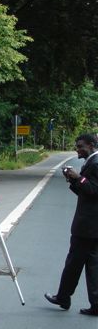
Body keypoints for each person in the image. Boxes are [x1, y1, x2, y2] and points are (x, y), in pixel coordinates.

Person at [45, 133, 98, 316]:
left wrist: (79, 178)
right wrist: (73, 181)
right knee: (92, 265)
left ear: (91, 145)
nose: (77, 149)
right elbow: (85, 194)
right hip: (91, 227)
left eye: (80, 146)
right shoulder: (91, 162)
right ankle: (94, 303)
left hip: (87, 226)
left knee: (73, 263)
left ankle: (63, 297)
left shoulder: (96, 163)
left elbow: (94, 190)